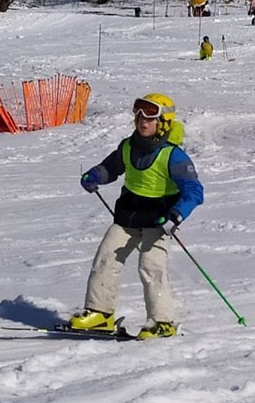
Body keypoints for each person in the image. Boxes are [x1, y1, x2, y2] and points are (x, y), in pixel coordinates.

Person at [72, 93, 205, 339]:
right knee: (105, 258)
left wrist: (176, 216)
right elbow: (111, 167)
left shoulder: (173, 155)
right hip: (128, 217)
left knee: (151, 266)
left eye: (150, 117)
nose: (143, 121)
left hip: (159, 221)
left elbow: (194, 191)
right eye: (139, 115)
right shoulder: (128, 146)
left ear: (163, 122)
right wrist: (95, 175)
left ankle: (162, 321)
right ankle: (100, 313)